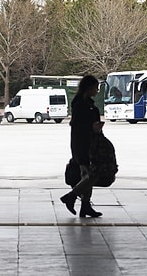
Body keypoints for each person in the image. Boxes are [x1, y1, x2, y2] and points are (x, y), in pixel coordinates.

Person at [60, 74, 103, 218]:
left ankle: (85, 206)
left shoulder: (84, 103)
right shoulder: (81, 104)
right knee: (91, 175)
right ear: (89, 88)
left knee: (87, 175)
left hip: (85, 143)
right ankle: (71, 197)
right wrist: (93, 127)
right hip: (83, 145)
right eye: (96, 88)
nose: (97, 90)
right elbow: (78, 126)